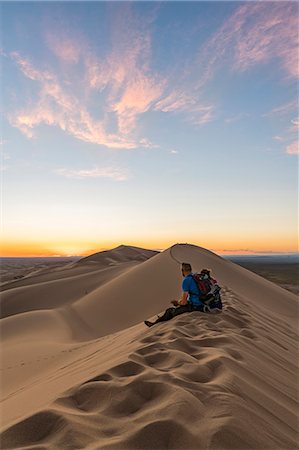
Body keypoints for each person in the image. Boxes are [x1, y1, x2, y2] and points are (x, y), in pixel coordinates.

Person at [144, 262, 205, 327]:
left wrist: (178, 302)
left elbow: (184, 302)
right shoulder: (195, 277)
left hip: (196, 307)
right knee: (177, 307)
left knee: (170, 311)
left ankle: (154, 324)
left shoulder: (186, 281)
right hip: (203, 303)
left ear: (182, 271)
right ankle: (160, 319)